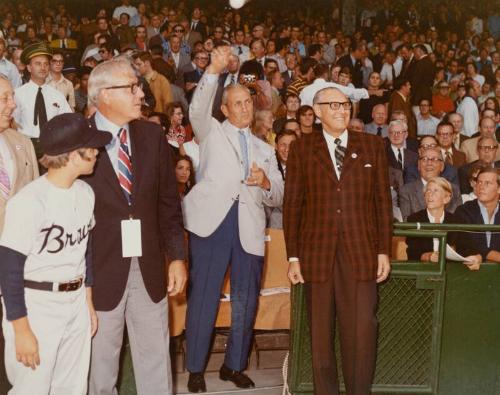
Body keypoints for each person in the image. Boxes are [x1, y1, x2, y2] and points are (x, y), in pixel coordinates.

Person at [183, 46, 283, 393]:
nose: (244, 107)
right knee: (204, 296)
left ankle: (233, 365)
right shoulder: (209, 131)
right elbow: (197, 107)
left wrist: (267, 182)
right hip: (212, 224)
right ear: (224, 109)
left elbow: (279, 195)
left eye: (248, 102)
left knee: (246, 299)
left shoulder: (265, 149)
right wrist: (213, 67)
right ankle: (196, 367)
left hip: (250, 228)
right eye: (236, 103)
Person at [85, 57, 187, 395]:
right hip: (100, 274)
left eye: (137, 86)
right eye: (130, 87)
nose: (140, 93)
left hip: (148, 270)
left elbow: (169, 204)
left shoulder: (152, 135)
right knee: (100, 374)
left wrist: (176, 257)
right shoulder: (79, 139)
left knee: (156, 365)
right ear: (104, 95)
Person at [284, 86, 392, 395]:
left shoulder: (372, 146)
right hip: (316, 255)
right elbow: (293, 205)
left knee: (362, 332)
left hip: (361, 252)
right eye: (333, 105)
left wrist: (384, 250)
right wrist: (293, 256)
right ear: (316, 112)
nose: (342, 110)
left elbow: (383, 202)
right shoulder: (302, 149)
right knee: (320, 339)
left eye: (346, 105)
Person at [0, 112, 110, 394]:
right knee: (31, 388)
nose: (97, 151)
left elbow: (85, 250)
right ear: (73, 155)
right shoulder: (29, 201)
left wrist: (87, 299)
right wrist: (21, 329)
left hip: (74, 302)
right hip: (36, 305)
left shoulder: (86, 192)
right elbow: (9, 268)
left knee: (72, 387)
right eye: (91, 147)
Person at [13, 42, 72, 159]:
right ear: (29, 68)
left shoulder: (57, 95)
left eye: (46, 64)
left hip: (52, 146)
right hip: (26, 146)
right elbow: (13, 125)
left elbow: (67, 120)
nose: (43, 67)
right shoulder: (18, 94)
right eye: (38, 64)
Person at [451, 168, 500, 270]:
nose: (481, 186)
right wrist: (492, 255)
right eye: (479, 182)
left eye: (487, 183)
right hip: (468, 271)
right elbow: (467, 245)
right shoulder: (464, 210)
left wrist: (484, 255)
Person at [399, 147, 462, 220]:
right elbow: (406, 222)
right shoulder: (406, 191)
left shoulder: (454, 190)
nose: (429, 163)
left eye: (434, 159)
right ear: (419, 165)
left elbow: (458, 220)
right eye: (425, 159)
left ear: (442, 166)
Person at [406, 177, 456, 261]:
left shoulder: (454, 220)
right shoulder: (414, 219)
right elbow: (412, 252)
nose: (430, 194)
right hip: (423, 269)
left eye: (435, 191)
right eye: (428, 191)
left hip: (449, 269)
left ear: (446, 198)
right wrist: (428, 256)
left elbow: (460, 249)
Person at [266, 130, 297, 229]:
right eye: (283, 145)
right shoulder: (268, 166)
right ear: (276, 146)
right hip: (271, 217)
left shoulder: (306, 168)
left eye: (292, 145)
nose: (287, 149)